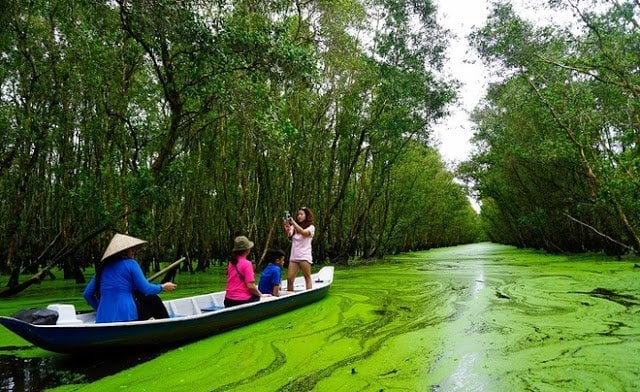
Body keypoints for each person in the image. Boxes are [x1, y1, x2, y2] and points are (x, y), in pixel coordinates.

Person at [83, 233, 177, 323]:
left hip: (102, 317)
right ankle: (166, 323)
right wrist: (163, 287)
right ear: (123, 251)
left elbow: (87, 294)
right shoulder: (131, 264)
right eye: (131, 249)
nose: (133, 251)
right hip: (126, 315)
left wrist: (99, 308)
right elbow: (146, 289)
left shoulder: (102, 268)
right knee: (153, 299)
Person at [224, 236, 263, 307]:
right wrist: (261, 295)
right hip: (242, 301)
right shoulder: (247, 264)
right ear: (247, 250)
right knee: (260, 297)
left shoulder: (231, 263)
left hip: (228, 300)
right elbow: (250, 286)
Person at [284, 207, 315, 290]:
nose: (299, 216)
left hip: (304, 256)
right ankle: (290, 296)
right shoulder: (294, 227)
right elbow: (289, 234)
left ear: (306, 216)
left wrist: (293, 222)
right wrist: (287, 225)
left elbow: (303, 232)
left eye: (301, 214)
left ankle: (309, 295)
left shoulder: (311, 227)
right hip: (294, 256)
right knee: (290, 279)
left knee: (307, 277)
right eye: (298, 214)